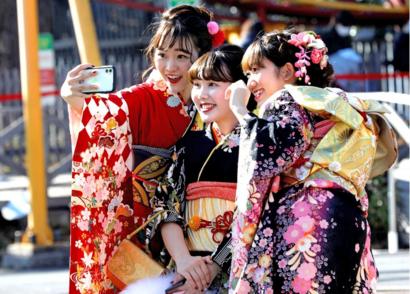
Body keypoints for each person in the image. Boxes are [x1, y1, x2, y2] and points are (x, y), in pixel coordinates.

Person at [60, 5, 225, 293]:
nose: (170, 67)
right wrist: (72, 98)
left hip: (204, 230)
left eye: (182, 57)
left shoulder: (212, 101)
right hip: (142, 226)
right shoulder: (143, 98)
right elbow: (103, 115)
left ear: (203, 56)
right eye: (162, 55)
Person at [227, 30, 396, 293]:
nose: (250, 82)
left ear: (286, 72)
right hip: (345, 212)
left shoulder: (289, 99)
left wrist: (240, 112)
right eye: (248, 74)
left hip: (309, 219)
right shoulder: (331, 102)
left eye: (257, 70)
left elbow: (272, 153)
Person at [134, 44, 251, 294]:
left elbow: (255, 213)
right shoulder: (189, 142)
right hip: (188, 269)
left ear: (241, 88)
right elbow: (166, 205)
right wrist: (186, 263)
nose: (201, 94)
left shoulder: (257, 143)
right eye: (197, 85)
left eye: (213, 85)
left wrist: (215, 265)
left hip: (238, 269)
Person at [321, 11, 365, 92]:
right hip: (332, 72)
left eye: (348, 25)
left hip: (347, 76)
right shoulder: (327, 37)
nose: (346, 28)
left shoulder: (347, 38)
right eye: (344, 25)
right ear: (337, 23)